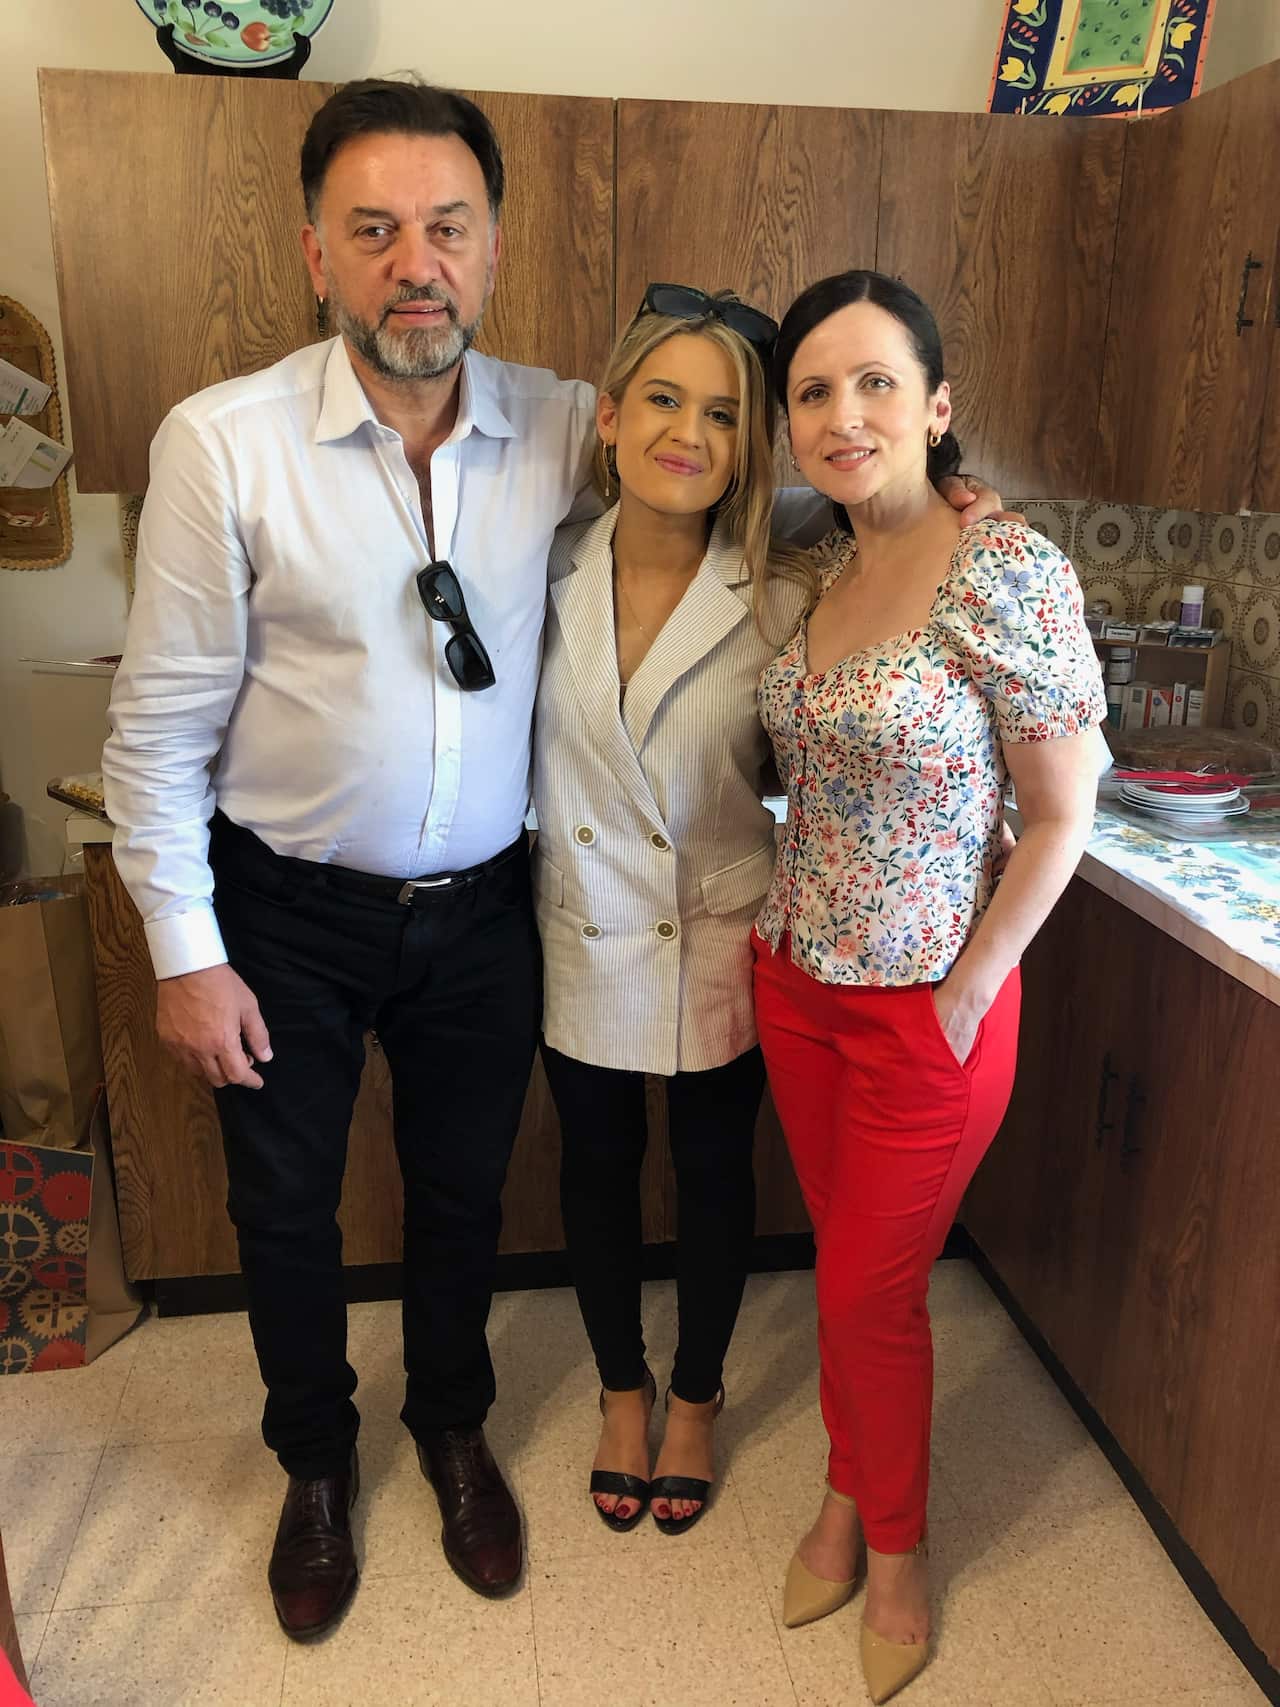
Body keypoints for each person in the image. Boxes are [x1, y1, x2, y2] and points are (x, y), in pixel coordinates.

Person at [101, 70, 1008, 1638]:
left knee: (463, 1193)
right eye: (373, 230)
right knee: (287, 1206)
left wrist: (949, 510)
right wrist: (188, 948)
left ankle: (454, 1426)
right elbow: (157, 726)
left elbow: (784, 497)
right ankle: (316, 1462)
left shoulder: (551, 421)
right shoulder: (223, 444)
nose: (416, 264)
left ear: (495, 247)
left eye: (447, 226)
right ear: (315, 252)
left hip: (485, 915)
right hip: (288, 908)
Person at [750, 270, 1106, 1702]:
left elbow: (1063, 813)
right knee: (849, 1278)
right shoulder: (824, 568)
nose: (843, 414)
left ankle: (889, 1550)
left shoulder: (1004, 568)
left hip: (926, 1008)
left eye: (875, 382)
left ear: (936, 404)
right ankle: (851, 1491)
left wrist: (966, 994)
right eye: (812, 392)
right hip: (796, 982)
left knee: (869, 1291)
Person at [533, 285, 811, 1535]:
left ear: (747, 447)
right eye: (661, 399)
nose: (685, 434)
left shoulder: (782, 594)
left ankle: (695, 1397)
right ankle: (619, 1391)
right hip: (580, 915)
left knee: (709, 1174)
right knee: (593, 1168)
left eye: (721, 413)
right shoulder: (535, 570)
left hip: (717, 923)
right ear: (607, 416)